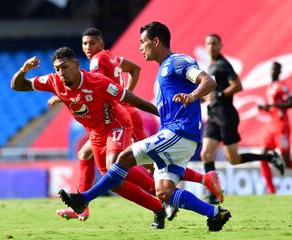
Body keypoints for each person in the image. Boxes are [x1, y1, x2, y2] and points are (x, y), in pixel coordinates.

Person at [59, 21, 231, 232]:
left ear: (156, 41)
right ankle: (215, 213)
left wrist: (193, 95)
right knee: (164, 192)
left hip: (180, 132)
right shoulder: (162, 72)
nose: (140, 47)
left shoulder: (177, 61)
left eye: (143, 42)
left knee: (124, 158)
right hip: (175, 135)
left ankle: (83, 199)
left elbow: (208, 81)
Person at [12, 47, 172, 229]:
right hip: (96, 134)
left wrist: (163, 114)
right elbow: (17, 85)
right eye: (57, 69)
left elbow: (132, 99)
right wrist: (23, 70)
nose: (61, 73)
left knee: (114, 168)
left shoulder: (98, 82)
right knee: (114, 184)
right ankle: (159, 208)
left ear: (76, 65)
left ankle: (83, 200)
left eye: (64, 67)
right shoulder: (53, 81)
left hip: (116, 124)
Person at [201, 33, 285, 204]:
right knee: (206, 153)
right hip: (213, 115)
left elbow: (238, 85)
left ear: (220, 45)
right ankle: (213, 192)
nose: (211, 47)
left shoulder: (223, 64)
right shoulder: (211, 66)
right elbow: (211, 93)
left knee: (234, 159)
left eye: (214, 43)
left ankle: (269, 157)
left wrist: (219, 94)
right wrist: (200, 97)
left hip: (226, 115)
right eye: (209, 44)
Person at [257, 62, 292, 193]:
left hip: (282, 126)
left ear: (279, 71)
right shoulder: (270, 87)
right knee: (262, 155)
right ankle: (271, 191)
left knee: (287, 162)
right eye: (271, 68)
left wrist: (276, 106)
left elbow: (290, 101)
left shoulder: (281, 86)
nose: (273, 71)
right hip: (272, 126)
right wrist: (266, 108)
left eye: (275, 69)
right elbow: (274, 108)